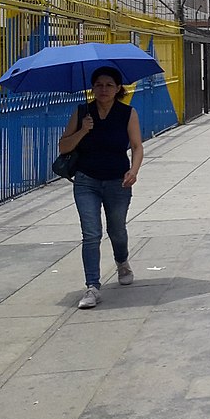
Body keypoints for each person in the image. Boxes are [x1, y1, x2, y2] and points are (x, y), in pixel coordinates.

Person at [58, 67, 144, 310]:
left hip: (118, 180)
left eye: (109, 85)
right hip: (86, 181)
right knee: (91, 233)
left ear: (118, 89)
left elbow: (137, 146)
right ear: (92, 88)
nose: (103, 89)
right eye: (98, 85)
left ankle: (122, 262)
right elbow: (63, 147)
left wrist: (134, 171)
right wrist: (83, 130)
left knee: (116, 229)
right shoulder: (82, 112)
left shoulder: (127, 113)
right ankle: (92, 286)